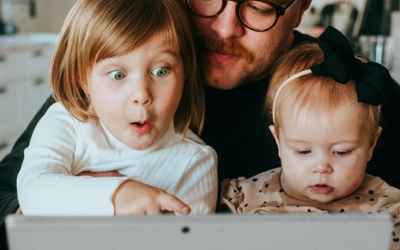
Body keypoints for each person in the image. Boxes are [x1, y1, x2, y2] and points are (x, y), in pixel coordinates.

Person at [1, 0, 400, 246]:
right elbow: (10, 189)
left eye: (260, 7)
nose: (226, 27)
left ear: (300, 6)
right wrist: (78, 204)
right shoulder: (118, 69)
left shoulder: (352, 89)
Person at [16, 0, 218, 216]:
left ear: (185, 73)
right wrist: (118, 194)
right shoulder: (66, 122)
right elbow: (32, 189)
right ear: (82, 78)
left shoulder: (195, 162)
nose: (142, 95)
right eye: (118, 75)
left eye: (161, 71)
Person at [220, 26, 400, 249]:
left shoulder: (388, 210)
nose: (322, 167)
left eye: (341, 152)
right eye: (303, 151)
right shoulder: (244, 196)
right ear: (278, 140)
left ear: (372, 143)